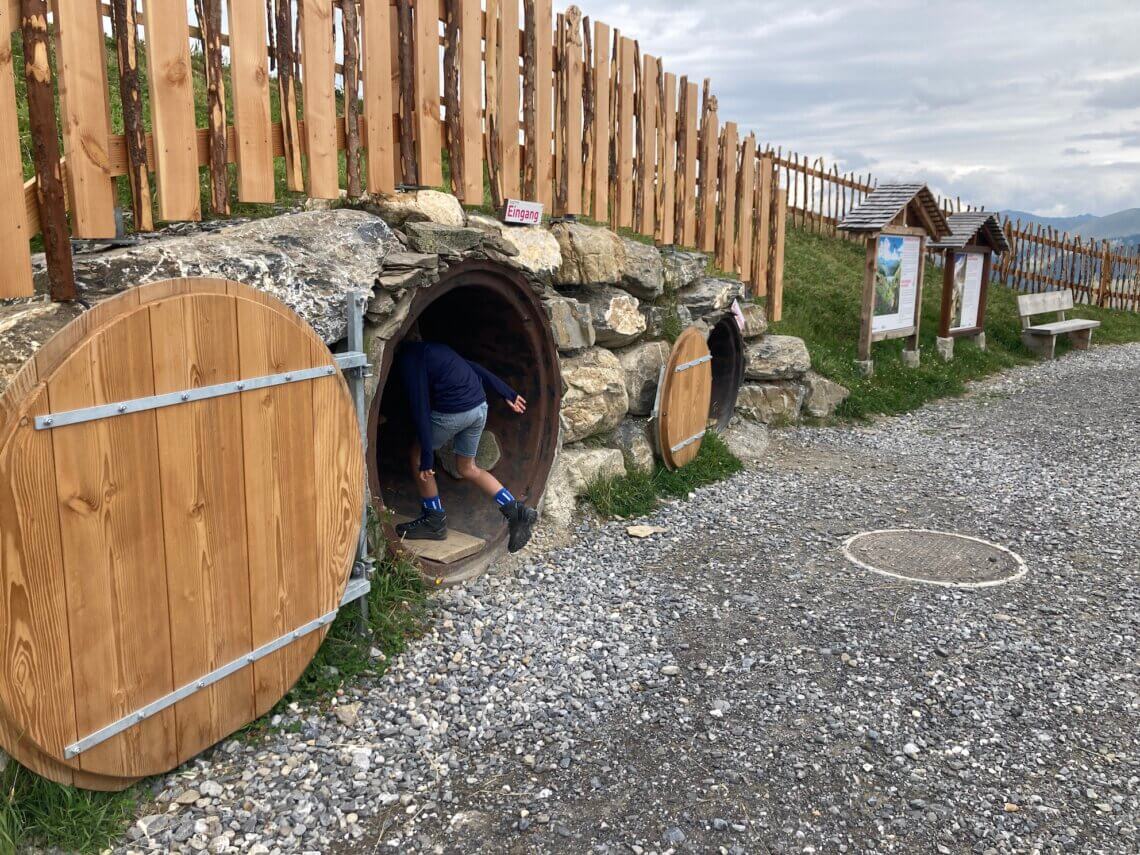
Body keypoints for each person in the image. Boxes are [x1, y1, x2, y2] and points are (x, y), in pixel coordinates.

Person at [394, 339, 539, 553]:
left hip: (455, 413)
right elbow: (475, 367)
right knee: (467, 467)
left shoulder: (409, 359)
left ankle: (433, 520)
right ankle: (515, 510)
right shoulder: (438, 348)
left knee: (417, 455)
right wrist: (507, 392)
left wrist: (427, 455)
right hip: (479, 407)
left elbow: (420, 407)